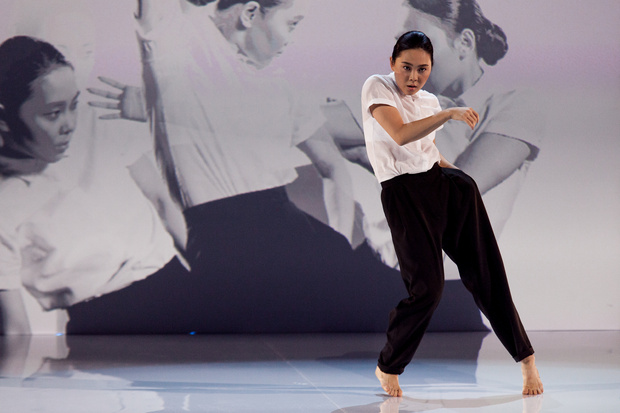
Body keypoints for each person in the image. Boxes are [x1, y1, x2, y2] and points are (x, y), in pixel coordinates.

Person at [361, 31, 543, 396]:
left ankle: (527, 360)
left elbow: (427, 152)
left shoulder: (429, 100)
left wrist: (461, 178)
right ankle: (388, 366)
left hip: (444, 186)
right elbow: (400, 135)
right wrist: (448, 114)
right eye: (406, 67)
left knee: (488, 275)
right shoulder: (377, 87)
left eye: (423, 69)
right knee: (428, 290)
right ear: (392, 63)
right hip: (404, 194)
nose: (414, 76)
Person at [0, 36, 180, 334]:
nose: (70, 124)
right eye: (53, 113)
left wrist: (206, 271)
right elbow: (15, 330)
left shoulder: (98, 118)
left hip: (176, 281)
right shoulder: (5, 203)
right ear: (3, 118)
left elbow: (161, 200)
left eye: (74, 105)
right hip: (101, 326)